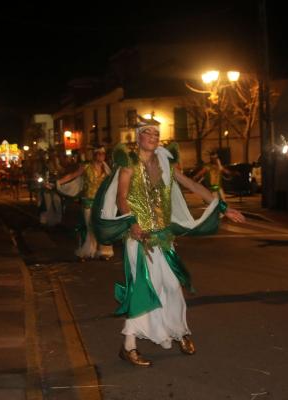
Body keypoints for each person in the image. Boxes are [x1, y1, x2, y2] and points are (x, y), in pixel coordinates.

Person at [92, 116, 245, 366]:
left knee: (173, 286)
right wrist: (133, 223)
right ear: (139, 136)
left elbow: (193, 186)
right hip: (139, 239)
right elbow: (121, 197)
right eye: (148, 132)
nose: (153, 137)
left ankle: (179, 332)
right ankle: (128, 346)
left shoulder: (165, 163)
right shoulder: (128, 164)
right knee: (144, 289)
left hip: (163, 237)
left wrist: (223, 207)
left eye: (156, 133)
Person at [57, 146, 113, 261]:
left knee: (101, 226)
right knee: (89, 226)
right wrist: (58, 182)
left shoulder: (107, 170)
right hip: (88, 201)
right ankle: (86, 251)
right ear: (94, 155)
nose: (101, 156)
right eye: (99, 154)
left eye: (103, 154)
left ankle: (103, 251)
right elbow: (72, 176)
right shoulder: (86, 167)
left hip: (101, 202)